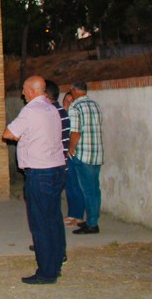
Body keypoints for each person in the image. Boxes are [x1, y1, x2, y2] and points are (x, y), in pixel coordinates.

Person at [3, 76, 66, 285]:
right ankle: (56, 261)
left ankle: (46, 272)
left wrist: (25, 137)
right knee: (54, 219)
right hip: (56, 168)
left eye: (23, 90)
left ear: (31, 90)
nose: (22, 93)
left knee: (40, 224)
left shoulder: (30, 111)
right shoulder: (52, 108)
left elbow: (8, 133)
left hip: (39, 173)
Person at [68, 81, 104, 235]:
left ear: (75, 90)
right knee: (94, 189)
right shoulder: (95, 105)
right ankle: (92, 220)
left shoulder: (75, 107)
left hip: (83, 154)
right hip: (97, 153)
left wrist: (71, 148)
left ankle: (92, 224)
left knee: (87, 190)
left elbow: (75, 132)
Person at [56, 88, 84, 226]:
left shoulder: (73, 115)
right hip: (62, 155)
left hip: (71, 154)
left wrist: (70, 149)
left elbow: (75, 133)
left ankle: (78, 215)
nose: (67, 103)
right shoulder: (62, 115)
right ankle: (72, 214)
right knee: (69, 186)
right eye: (65, 100)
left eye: (70, 101)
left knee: (75, 185)